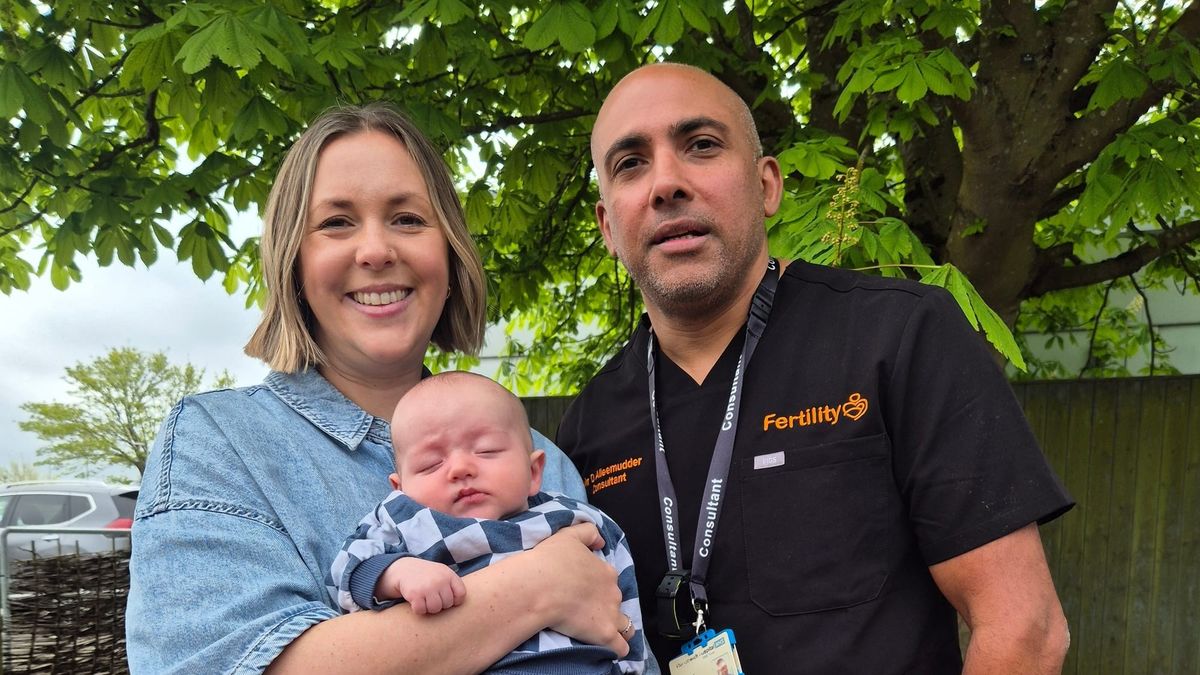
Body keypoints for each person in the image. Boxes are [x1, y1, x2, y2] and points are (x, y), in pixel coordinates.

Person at [557, 63, 1075, 674]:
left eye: (701, 146)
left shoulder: (901, 337)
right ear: (607, 227)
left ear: (767, 185)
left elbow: (1025, 629)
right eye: (631, 164)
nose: (666, 183)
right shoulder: (587, 430)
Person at [126, 103, 636, 674]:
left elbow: (621, 639)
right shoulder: (219, 442)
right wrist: (533, 590)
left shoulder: (549, 461)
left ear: (450, 258)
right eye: (336, 222)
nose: (376, 250)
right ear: (294, 262)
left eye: (408, 219)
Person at [329, 371, 645, 674]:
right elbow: (348, 568)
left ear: (534, 472)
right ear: (400, 489)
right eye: (431, 463)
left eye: (486, 450)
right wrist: (396, 572)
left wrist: (632, 663)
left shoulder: (572, 518)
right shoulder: (407, 519)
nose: (460, 468)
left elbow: (621, 589)